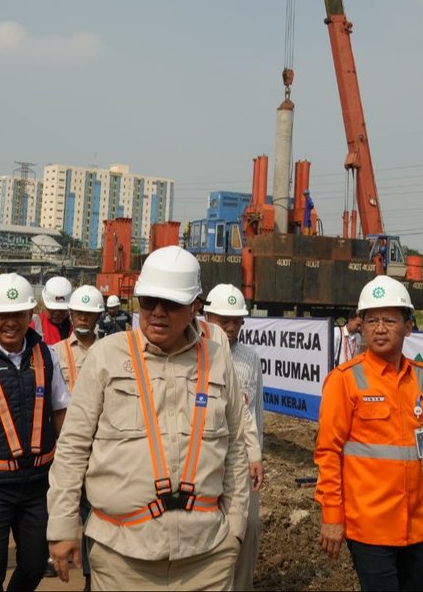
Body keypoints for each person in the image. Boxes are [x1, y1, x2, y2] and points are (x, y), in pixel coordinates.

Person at [47, 246, 249, 591]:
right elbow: (73, 447)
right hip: (121, 558)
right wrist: (63, 525)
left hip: (207, 557)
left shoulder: (218, 361)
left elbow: (236, 449)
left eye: (170, 303)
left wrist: (236, 530)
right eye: (148, 301)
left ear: (194, 307)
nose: (157, 312)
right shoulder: (106, 357)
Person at [314, 274, 423, 592]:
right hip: (369, 529)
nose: (379, 328)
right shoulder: (345, 380)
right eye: (371, 320)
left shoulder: (422, 379)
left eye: (389, 320)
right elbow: (328, 453)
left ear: (408, 326)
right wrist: (331, 516)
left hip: (416, 529)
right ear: (362, 324)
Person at [0, 272, 69, 592]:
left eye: (18, 314)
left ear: (30, 316)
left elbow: (61, 412)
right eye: (2, 315)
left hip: (37, 484)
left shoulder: (47, 356)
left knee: (35, 566)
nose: (11, 323)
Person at [204, 284, 264, 592]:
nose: (230, 327)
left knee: (248, 528)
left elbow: (254, 411)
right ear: (206, 317)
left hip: (241, 460)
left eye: (237, 321)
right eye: (222, 320)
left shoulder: (250, 359)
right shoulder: (198, 354)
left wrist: (257, 456)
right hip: (206, 460)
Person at [52, 284, 105, 592]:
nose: (83, 318)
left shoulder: (112, 350)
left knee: (96, 511)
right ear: (70, 314)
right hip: (68, 445)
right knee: (69, 506)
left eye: (89, 313)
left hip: (102, 446)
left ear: (98, 316)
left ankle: (90, 577)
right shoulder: (55, 352)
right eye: (79, 312)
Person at [39, 276, 73, 344]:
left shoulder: (75, 327)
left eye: (62, 309)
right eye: (53, 309)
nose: (57, 313)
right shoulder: (35, 324)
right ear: (44, 303)